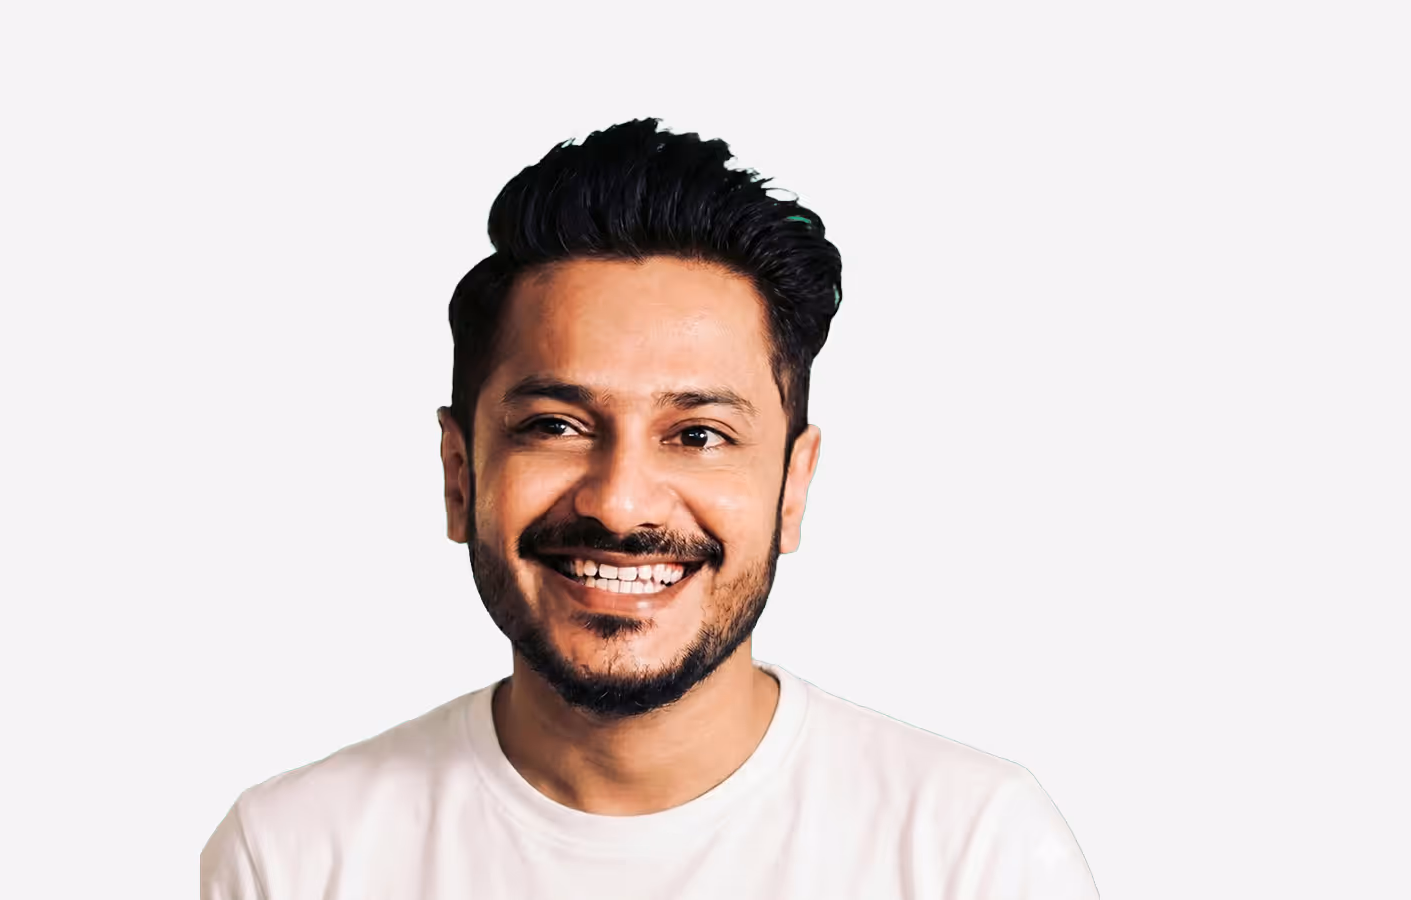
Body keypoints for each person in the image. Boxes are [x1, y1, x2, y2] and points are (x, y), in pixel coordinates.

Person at [201, 118, 1100, 899]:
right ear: (458, 474)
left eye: (699, 434)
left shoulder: (977, 856)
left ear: (794, 488)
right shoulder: (290, 859)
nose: (621, 500)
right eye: (556, 424)